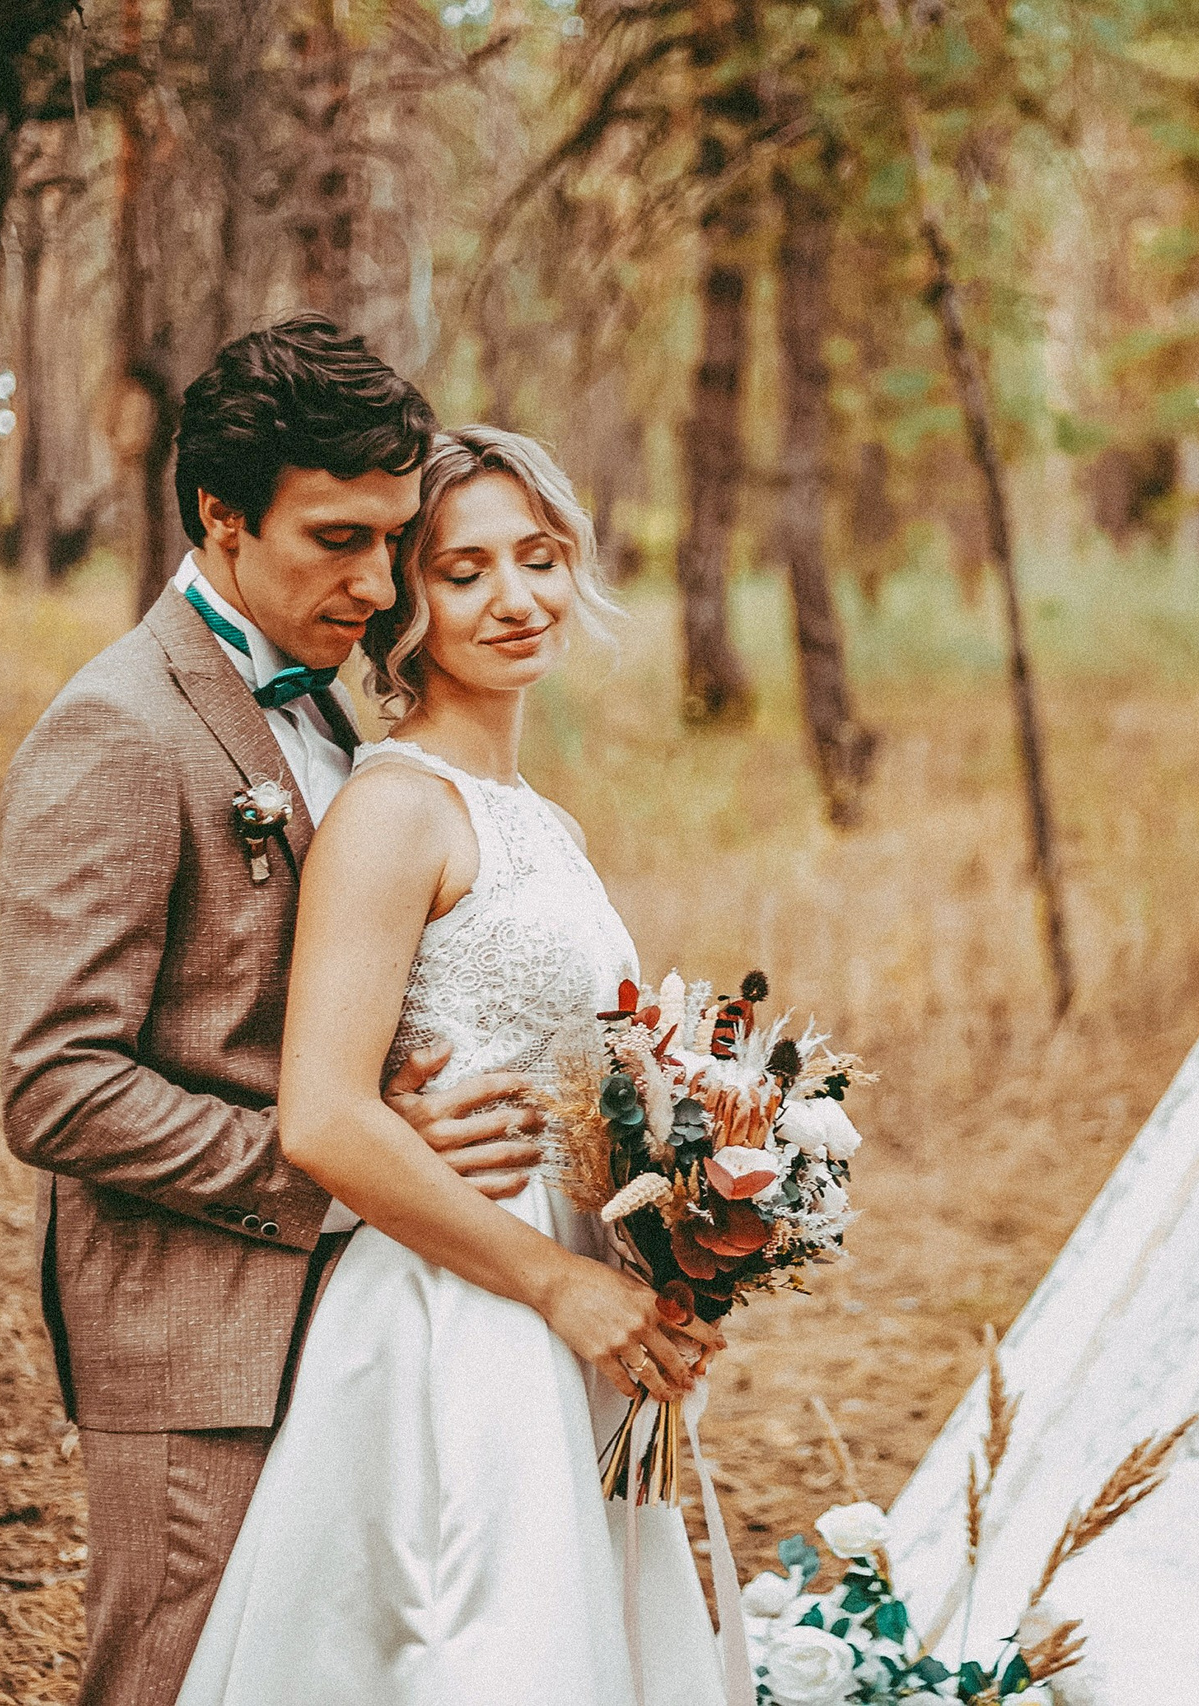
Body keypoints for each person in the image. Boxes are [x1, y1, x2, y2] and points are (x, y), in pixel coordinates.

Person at [0, 317, 549, 1706]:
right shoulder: (119, 728)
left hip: (367, 1326)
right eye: (336, 540)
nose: (378, 581)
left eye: (390, 535)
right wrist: (336, 1162)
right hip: (203, 1343)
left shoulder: (337, 715)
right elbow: (58, 1083)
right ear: (220, 516)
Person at [174, 426, 727, 1704]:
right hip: (459, 1309)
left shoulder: (535, 815)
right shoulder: (395, 808)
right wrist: (553, 1283)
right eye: (464, 570)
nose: (515, 598)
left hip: (568, 1291)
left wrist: (683, 1247)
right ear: (403, 606)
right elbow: (320, 1116)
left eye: (536, 558)